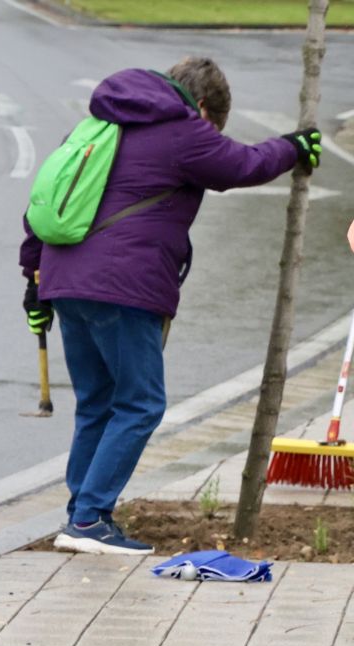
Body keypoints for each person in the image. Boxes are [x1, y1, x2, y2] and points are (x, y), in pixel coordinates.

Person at [21, 56, 320, 555]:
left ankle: (81, 513)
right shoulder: (181, 129)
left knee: (97, 403)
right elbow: (241, 165)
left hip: (65, 280)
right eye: (215, 126)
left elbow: (41, 203)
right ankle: (90, 518)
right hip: (122, 285)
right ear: (202, 106)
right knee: (140, 404)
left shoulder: (96, 125)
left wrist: (33, 283)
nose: (213, 135)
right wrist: (291, 147)